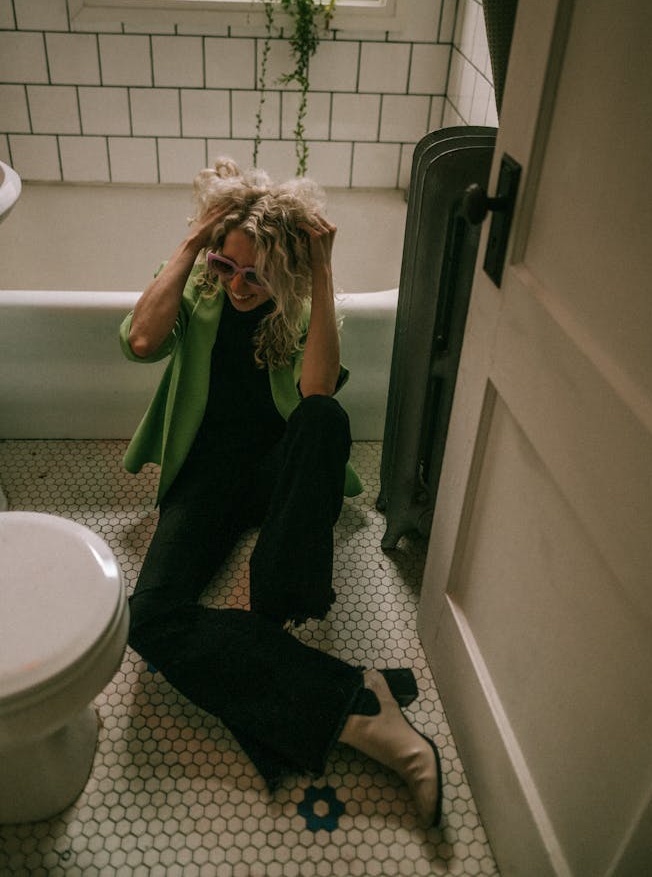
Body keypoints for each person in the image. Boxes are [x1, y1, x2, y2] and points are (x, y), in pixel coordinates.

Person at [120, 158, 442, 828]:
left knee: (324, 418)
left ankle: (277, 599)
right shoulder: (199, 289)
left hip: (277, 474)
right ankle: (358, 702)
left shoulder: (296, 305)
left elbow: (316, 392)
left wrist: (321, 273)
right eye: (226, 266)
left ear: (281, 272)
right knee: (149, 618)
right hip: (207, 476)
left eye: (255, 274)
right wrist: (189, 247)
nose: (238, 286)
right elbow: (142, 339)